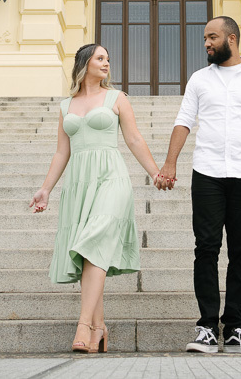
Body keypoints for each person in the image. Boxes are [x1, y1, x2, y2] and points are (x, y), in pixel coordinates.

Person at [158, 16, 241, 355]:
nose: (206, 43)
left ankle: (237, 327)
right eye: (204, 38)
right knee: (206, 248)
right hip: (207, 174)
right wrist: (170, 163)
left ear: (232, 38)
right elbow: (184, 121)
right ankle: (208, 328)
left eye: (212, 37)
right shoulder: (200, 79)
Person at [29, 43, 162, 354]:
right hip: (78, 183)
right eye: (100, 58)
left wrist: (156, 172)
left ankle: (83, 325)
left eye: (108, 59)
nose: (106, 64)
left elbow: (133, 138)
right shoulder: (66, 106)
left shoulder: (117, 99)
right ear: (85, 63)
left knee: (95, 240)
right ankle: (99, 328)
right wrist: (46, 189)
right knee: (89, 252)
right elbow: (62, 151)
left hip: (111, 178)